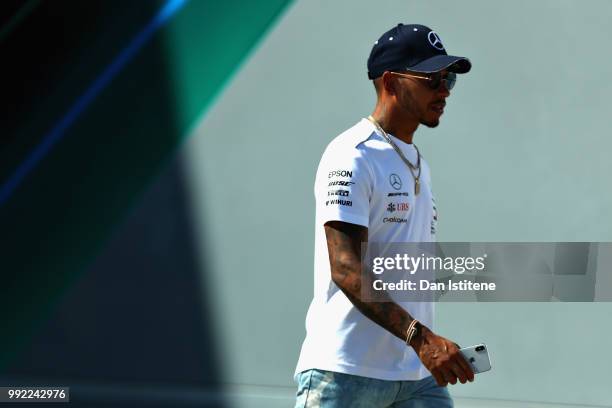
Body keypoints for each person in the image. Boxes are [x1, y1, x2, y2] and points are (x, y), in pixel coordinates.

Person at [294, 24, 475, 407]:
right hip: (345, 373)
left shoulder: (418, 163)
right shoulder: (351, 154)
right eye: (432, 79)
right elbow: (345, 267)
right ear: (391, 82)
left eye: (449, 79)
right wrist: (423, 339)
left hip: (416, 377)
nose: (443, 90)